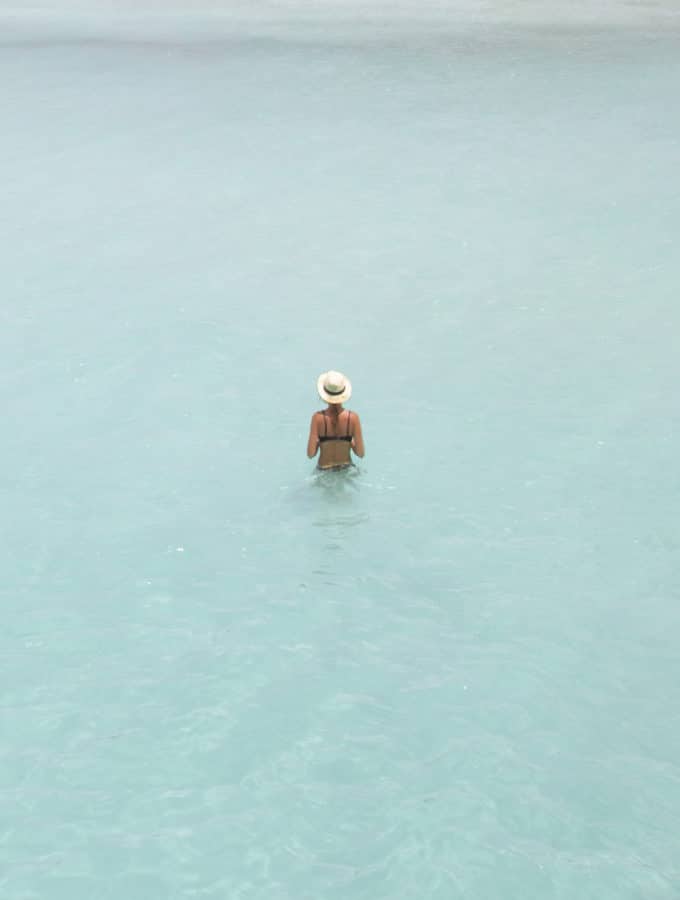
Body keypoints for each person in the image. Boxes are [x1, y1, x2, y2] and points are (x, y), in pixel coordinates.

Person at [307, 371, 365, 470]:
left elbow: (311, 454)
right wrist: (349, 442)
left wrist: (321, 442)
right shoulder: (353, 418)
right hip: (346, 468)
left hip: (324, 470)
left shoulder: (317, 418)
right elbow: (360, 453)